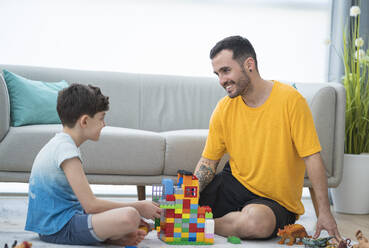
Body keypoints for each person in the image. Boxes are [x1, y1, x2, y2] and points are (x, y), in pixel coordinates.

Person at [194, 35, 341, 241]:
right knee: (175, 200)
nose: (221, 80)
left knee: (255, 224)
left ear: (249, 64)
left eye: (226, 70)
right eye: (217, 73)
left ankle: (200, 224)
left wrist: (325, 212)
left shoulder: (291, 101)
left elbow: (312, 158)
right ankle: (201, 220)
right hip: (233, 184)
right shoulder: (223, 109)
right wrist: (188, 195)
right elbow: (208, 162)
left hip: (274, 202)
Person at [25, 83, 161, 246]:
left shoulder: (59, 144)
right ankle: (111, 236)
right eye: (101, 118)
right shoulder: (66, 151)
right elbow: (90, 205)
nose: (104, 124)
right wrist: (139, 207)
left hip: (56, 224)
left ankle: (114, 237)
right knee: (130, 216)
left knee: (128, 218)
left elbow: (84, 206)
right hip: (59, 228)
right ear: (84, 121)